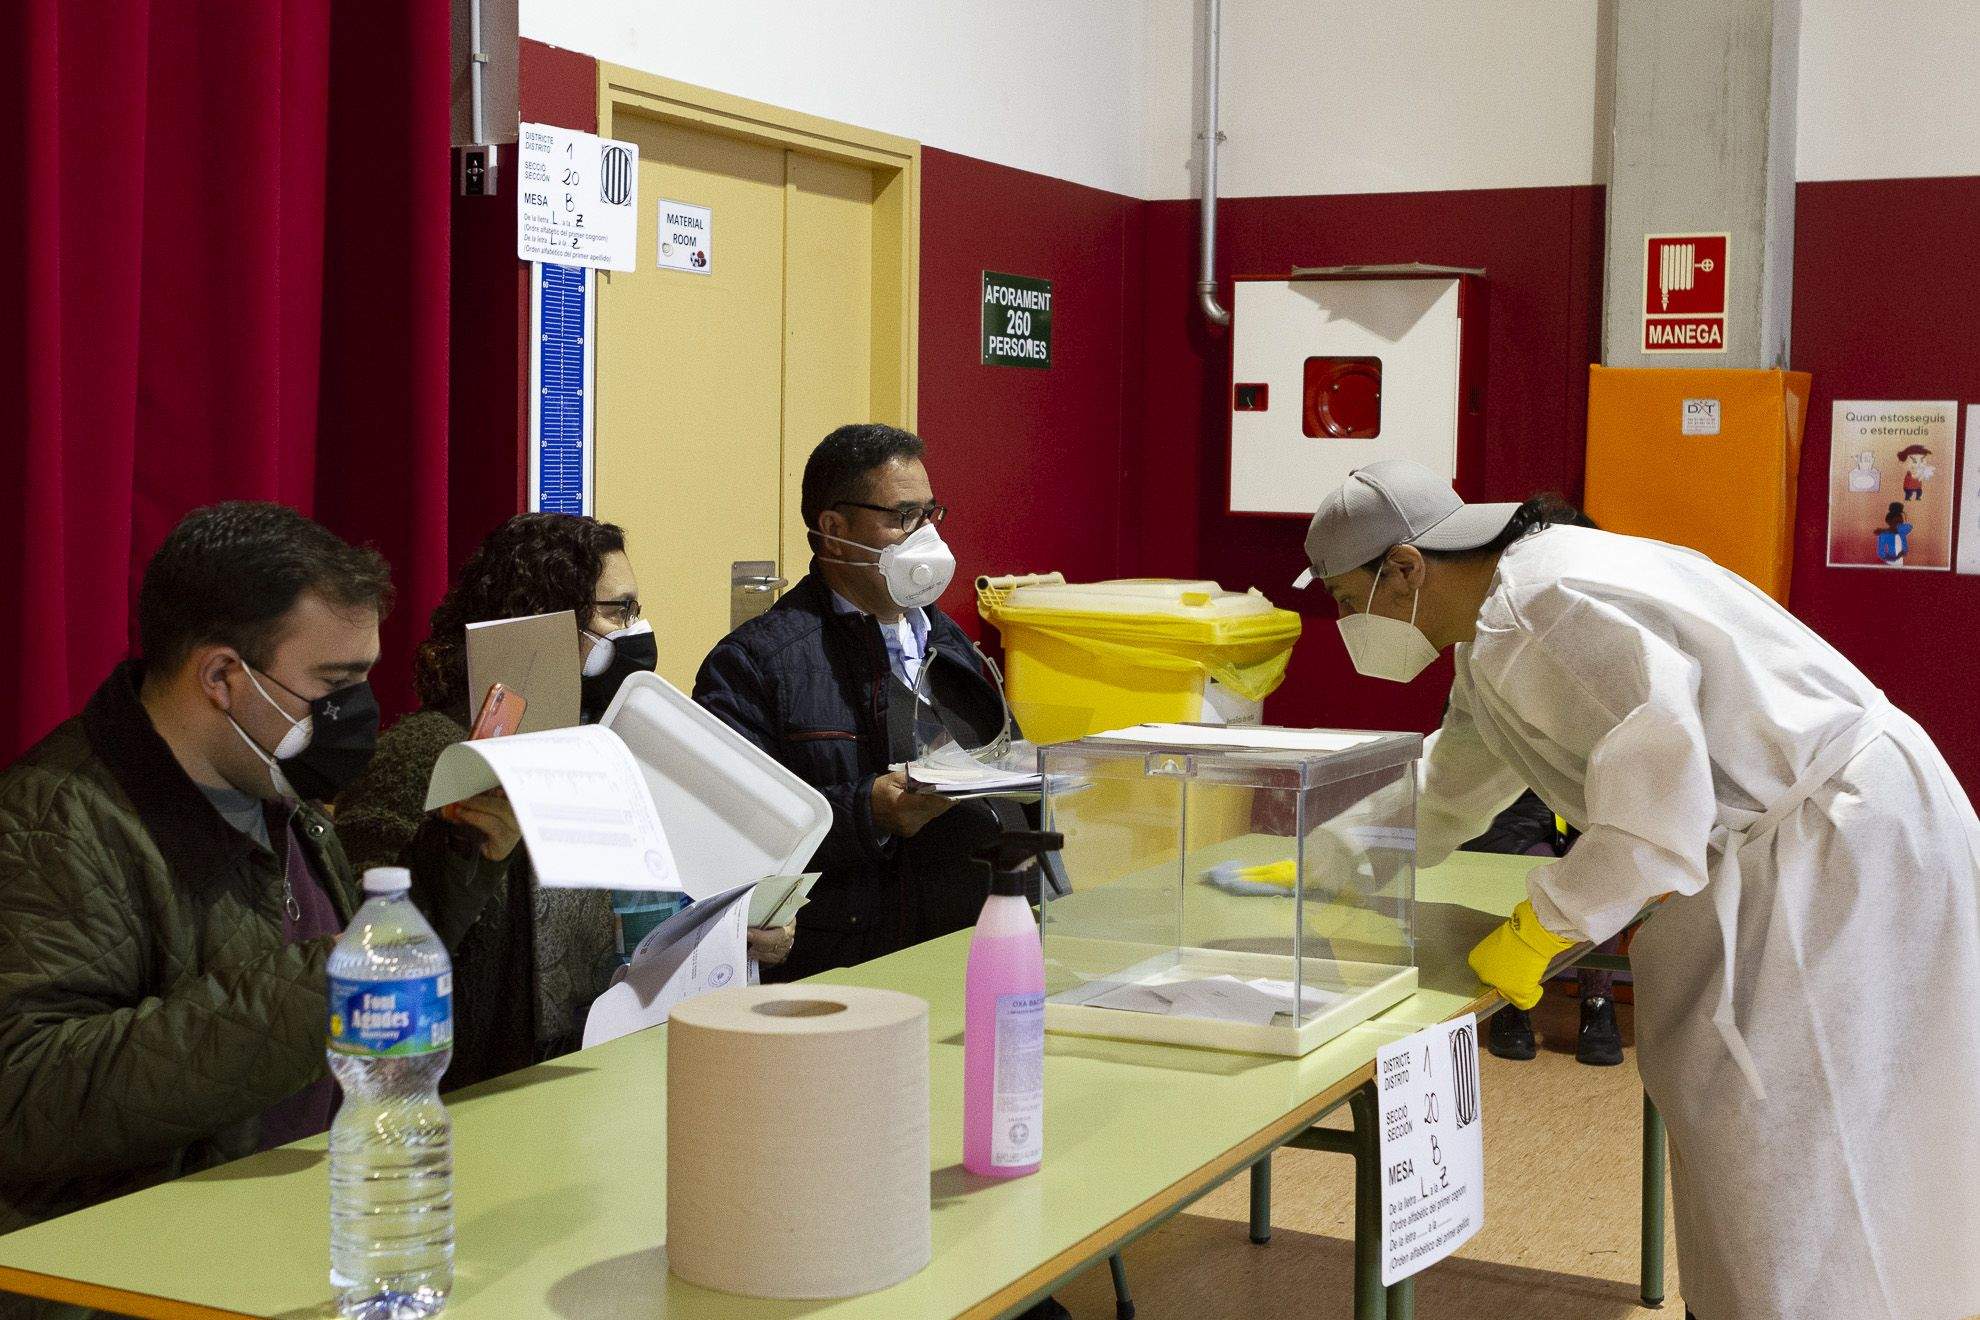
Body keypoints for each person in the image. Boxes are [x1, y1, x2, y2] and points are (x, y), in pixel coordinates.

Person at [1297, 459, 1980, 1320]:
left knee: (1808, 1143)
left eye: (1343, 597)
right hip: (1808, 841)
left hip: (1832, 856)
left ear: (1403, 567)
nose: (1344, 621)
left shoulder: (1542, 611)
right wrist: (1337, 851)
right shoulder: (1498, 624)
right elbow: (1453, 781)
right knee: (1783, 1134)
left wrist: (1544, 926)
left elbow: (1656, 813)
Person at [0, 503, 518, 1235]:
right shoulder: (54, 824)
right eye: (334, 683)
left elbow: (356, 978)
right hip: (147, 1269)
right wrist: (323, 989)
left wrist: (461, 856)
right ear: (221, 676)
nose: (356, 710)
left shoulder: (276, 788)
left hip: (305, 1226)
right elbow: (25, 1093)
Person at [334, 513, 796, 1087]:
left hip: (594, 1072)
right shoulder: (423, 756)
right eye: (617, 610)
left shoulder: (602, 743)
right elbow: (366, 955)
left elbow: (637, 923)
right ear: (545, 625)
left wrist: (728, 936)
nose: (638, 628)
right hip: (472, 1094)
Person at [694, 423, 1030, 982]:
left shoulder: (951, 645)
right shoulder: (756, 664)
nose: (925, 535)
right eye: (902, 517)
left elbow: (1007, 770)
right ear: (833, 529)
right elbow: (731, 832)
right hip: (844, 964)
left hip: (970, 945)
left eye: (931, 513)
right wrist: (865, 813)